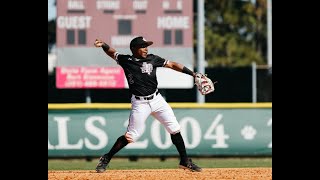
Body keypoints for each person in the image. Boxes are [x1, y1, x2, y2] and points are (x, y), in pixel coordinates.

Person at [94, 36, 202, 173]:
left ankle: (185, 161)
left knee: (174, 128)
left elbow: (173, 65)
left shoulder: (153, 59)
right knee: (131, 136)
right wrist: (103, 44)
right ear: (134, 49)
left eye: (146, 46)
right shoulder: (126, 60)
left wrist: (193, 74)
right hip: (140, 103)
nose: (146, 49)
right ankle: (106, 158)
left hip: (157, 100)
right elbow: (112, 53)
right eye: (142, 46)